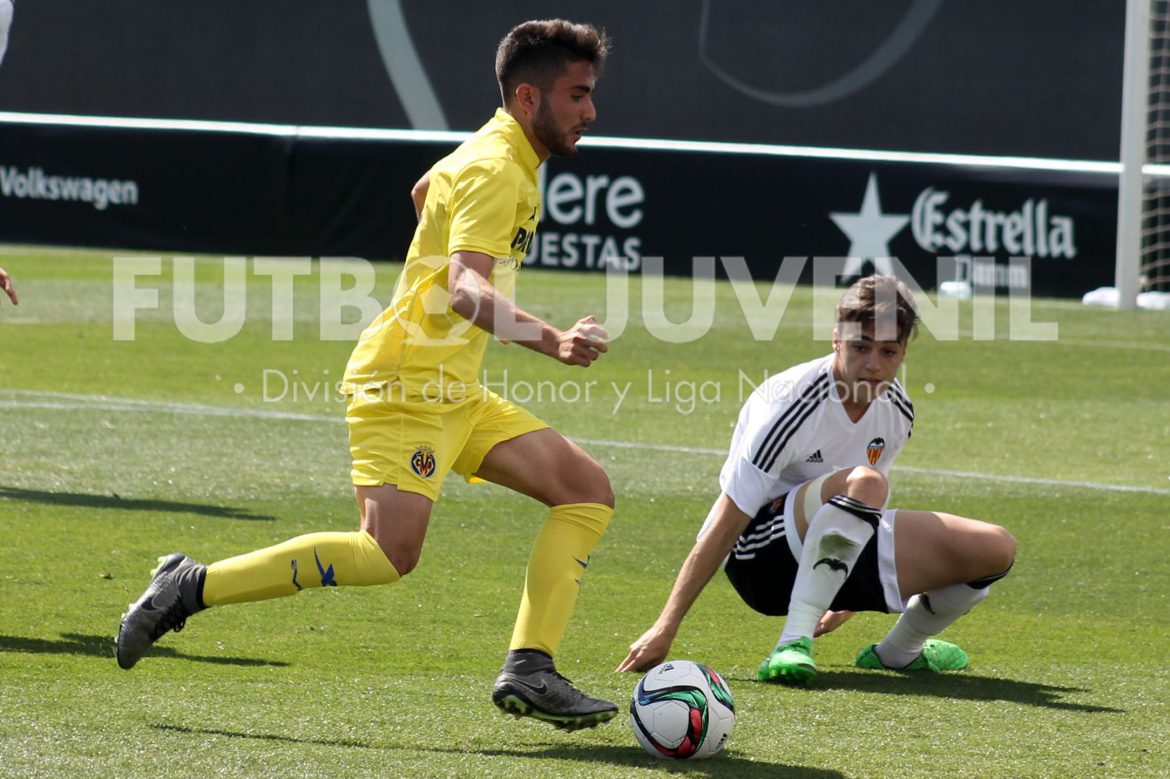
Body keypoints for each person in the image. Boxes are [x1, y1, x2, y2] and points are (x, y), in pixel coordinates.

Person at [117, 19, 620, 730]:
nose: (591, 112)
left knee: (585, 490)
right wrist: (555, 340)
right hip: (411, 383)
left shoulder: (495, 153)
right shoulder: (495, 167)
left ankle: (531, 667)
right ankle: (192, 585)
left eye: (591, 94)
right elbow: (468, 293)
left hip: (453, 387)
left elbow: (424, 193)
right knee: (386, 555)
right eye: (578, 95)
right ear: (529, 97)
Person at [619, 275, 1016, 684]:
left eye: (888, 351)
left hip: (826, 552)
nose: (874, 365)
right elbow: (729, 516)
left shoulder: (897, 409)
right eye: (861, 347)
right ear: (836, 341)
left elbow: (865, 511)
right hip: (758, 560)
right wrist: (666, 625)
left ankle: (899, 651)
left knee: (994, 548)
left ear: (903, 352)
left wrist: (849, 598)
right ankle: (792, 642)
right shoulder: (791, 402)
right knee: (867, 483)